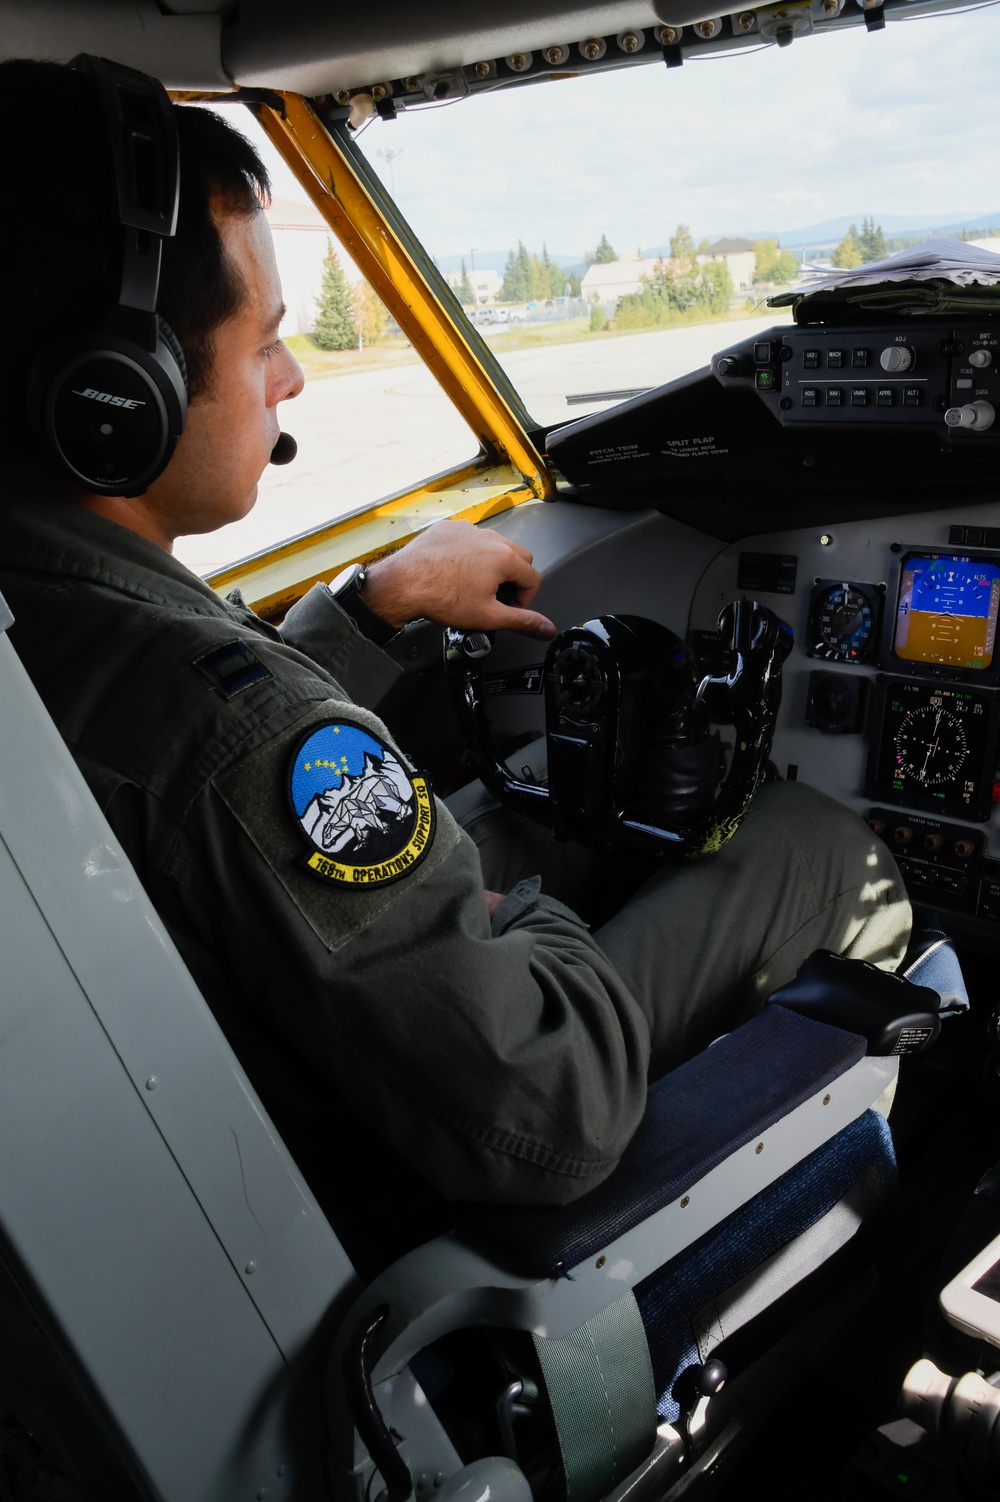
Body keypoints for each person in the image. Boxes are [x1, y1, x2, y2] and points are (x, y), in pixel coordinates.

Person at [0, 59, 910, 1270]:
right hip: (375, 1213)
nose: (293, 375)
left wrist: (371, 610)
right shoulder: (235, 732)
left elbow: (193, 747)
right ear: (117, 398)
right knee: (804, 839)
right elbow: (554, 1107)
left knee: (562, 771)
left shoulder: (51, 613)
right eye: (266, 339)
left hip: (204, 1113)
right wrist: (505, 908)